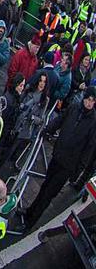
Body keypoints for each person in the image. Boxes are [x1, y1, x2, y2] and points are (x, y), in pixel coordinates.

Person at [23, 87, 96, 229]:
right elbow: (60, 120)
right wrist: (47, 129)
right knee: (45, 186)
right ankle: (29, 211)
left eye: (92, 101)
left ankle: (30, 222)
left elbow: (90, 148)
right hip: (58, 155)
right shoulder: (74, 108)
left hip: (69, 165)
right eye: (88, 99)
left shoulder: (94, 122)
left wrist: (78, 170)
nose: (89, 103)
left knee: (49, 193)